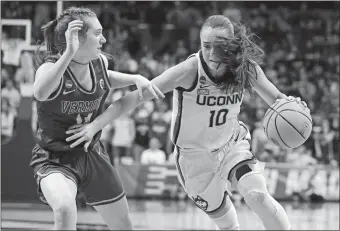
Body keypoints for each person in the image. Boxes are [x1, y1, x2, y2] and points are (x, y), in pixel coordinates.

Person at [66, 15, 309, 230]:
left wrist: (295, 106)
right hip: (194, 159)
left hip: (232, 145)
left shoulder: (246, 68)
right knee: (228, 225)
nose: (212, 54)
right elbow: (133, 99)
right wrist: (95, 125)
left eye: (221, 46)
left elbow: (277, 100)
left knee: (257, 195)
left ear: (233, 45)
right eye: (206, 46)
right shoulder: (189, 70)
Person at [30, 7, 164, 230]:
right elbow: (40, 93)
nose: (103, 39)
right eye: (97, 33)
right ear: (77, 39)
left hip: (91, 153)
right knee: (64, 209)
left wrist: (135, 77)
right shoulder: (50, 68)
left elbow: (107, 78)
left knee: (123, 224)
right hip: (55, 156)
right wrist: (69, 53)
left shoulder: (99, 62)